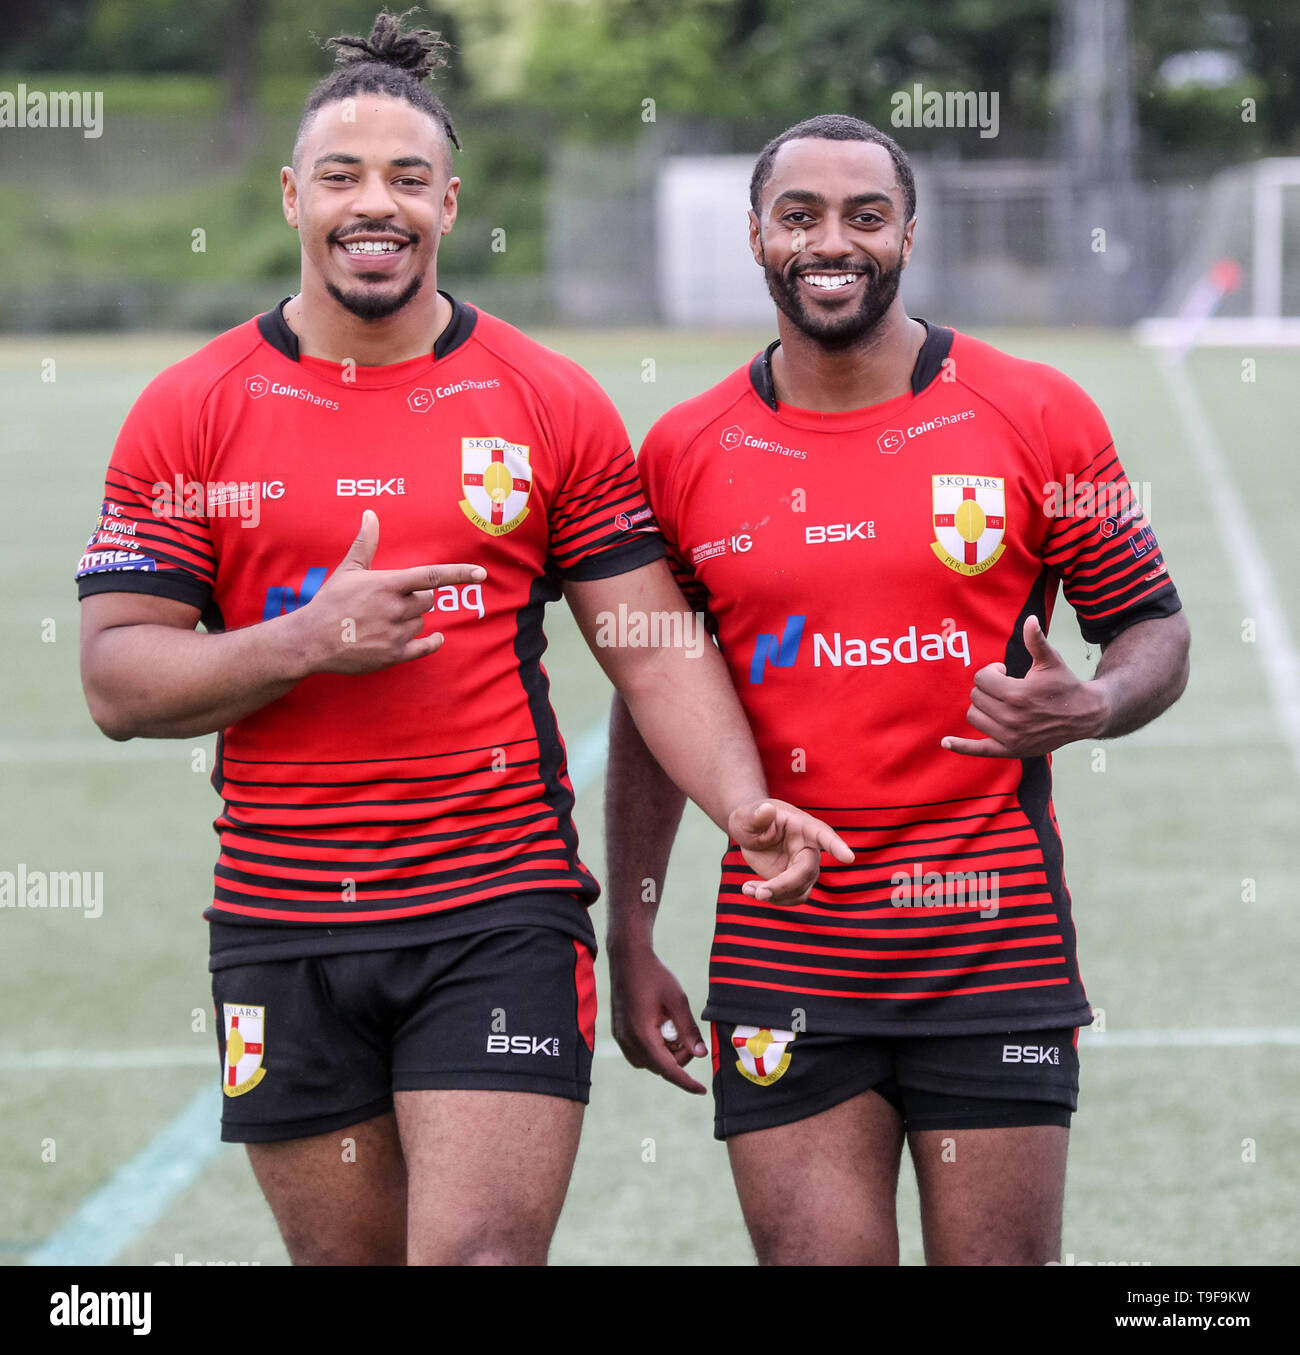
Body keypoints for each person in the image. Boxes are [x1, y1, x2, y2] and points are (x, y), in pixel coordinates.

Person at [75, 16, 850, 1267]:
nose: (372, 204)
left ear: (449, 200)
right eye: (340, 176)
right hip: (282, 914)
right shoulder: (190, 409)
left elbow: (649, 645)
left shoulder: (545, 399)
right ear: (291, 197)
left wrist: (741, 799)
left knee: (480, 1256)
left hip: (496, 907)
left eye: (404, 179)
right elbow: (118, 679)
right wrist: (304, 639)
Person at [606, 114, 1191, 1266]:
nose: (835, 241)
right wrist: (629, 924)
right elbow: (653, 694)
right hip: (785, 945)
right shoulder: (683, 449)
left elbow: (1152, 629)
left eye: (864, 215)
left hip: (991, 934)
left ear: (907, 234)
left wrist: (1098, 705)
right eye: (802, 215)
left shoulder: (1035, 412)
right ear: (757, 236)